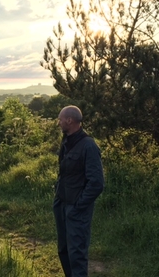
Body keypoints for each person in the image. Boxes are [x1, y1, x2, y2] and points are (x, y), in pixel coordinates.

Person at [53, 105, 104, 277]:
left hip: (76, 209)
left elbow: (96, 183)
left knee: (77, 254)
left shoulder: (88, 146)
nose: (58, 123)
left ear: (70, 120)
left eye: (60, 119)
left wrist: (78, 206)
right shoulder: (67, 140)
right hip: (62, 203)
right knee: (63, 249)